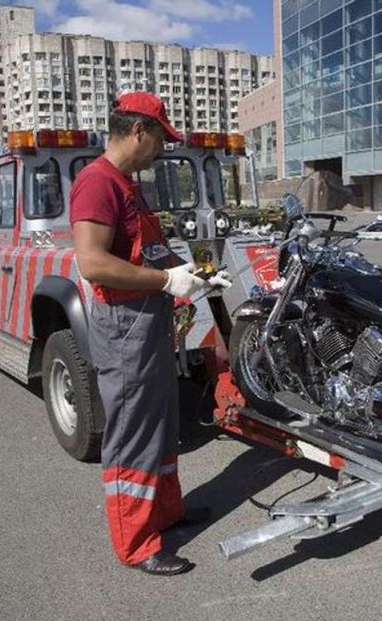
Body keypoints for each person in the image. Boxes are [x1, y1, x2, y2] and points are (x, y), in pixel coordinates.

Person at [70, 92, 231, 576]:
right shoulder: (97, 182)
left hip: (148, 320)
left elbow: (151, 251)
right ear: (139, 131)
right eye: (161, 138)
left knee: (160, 422)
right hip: (124, 326)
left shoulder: (127, 185)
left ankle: (165, 513)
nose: (163, 149)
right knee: (133, 433)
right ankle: (137, 543)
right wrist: (165, 281)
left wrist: (196, 275)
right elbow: (92, 262)